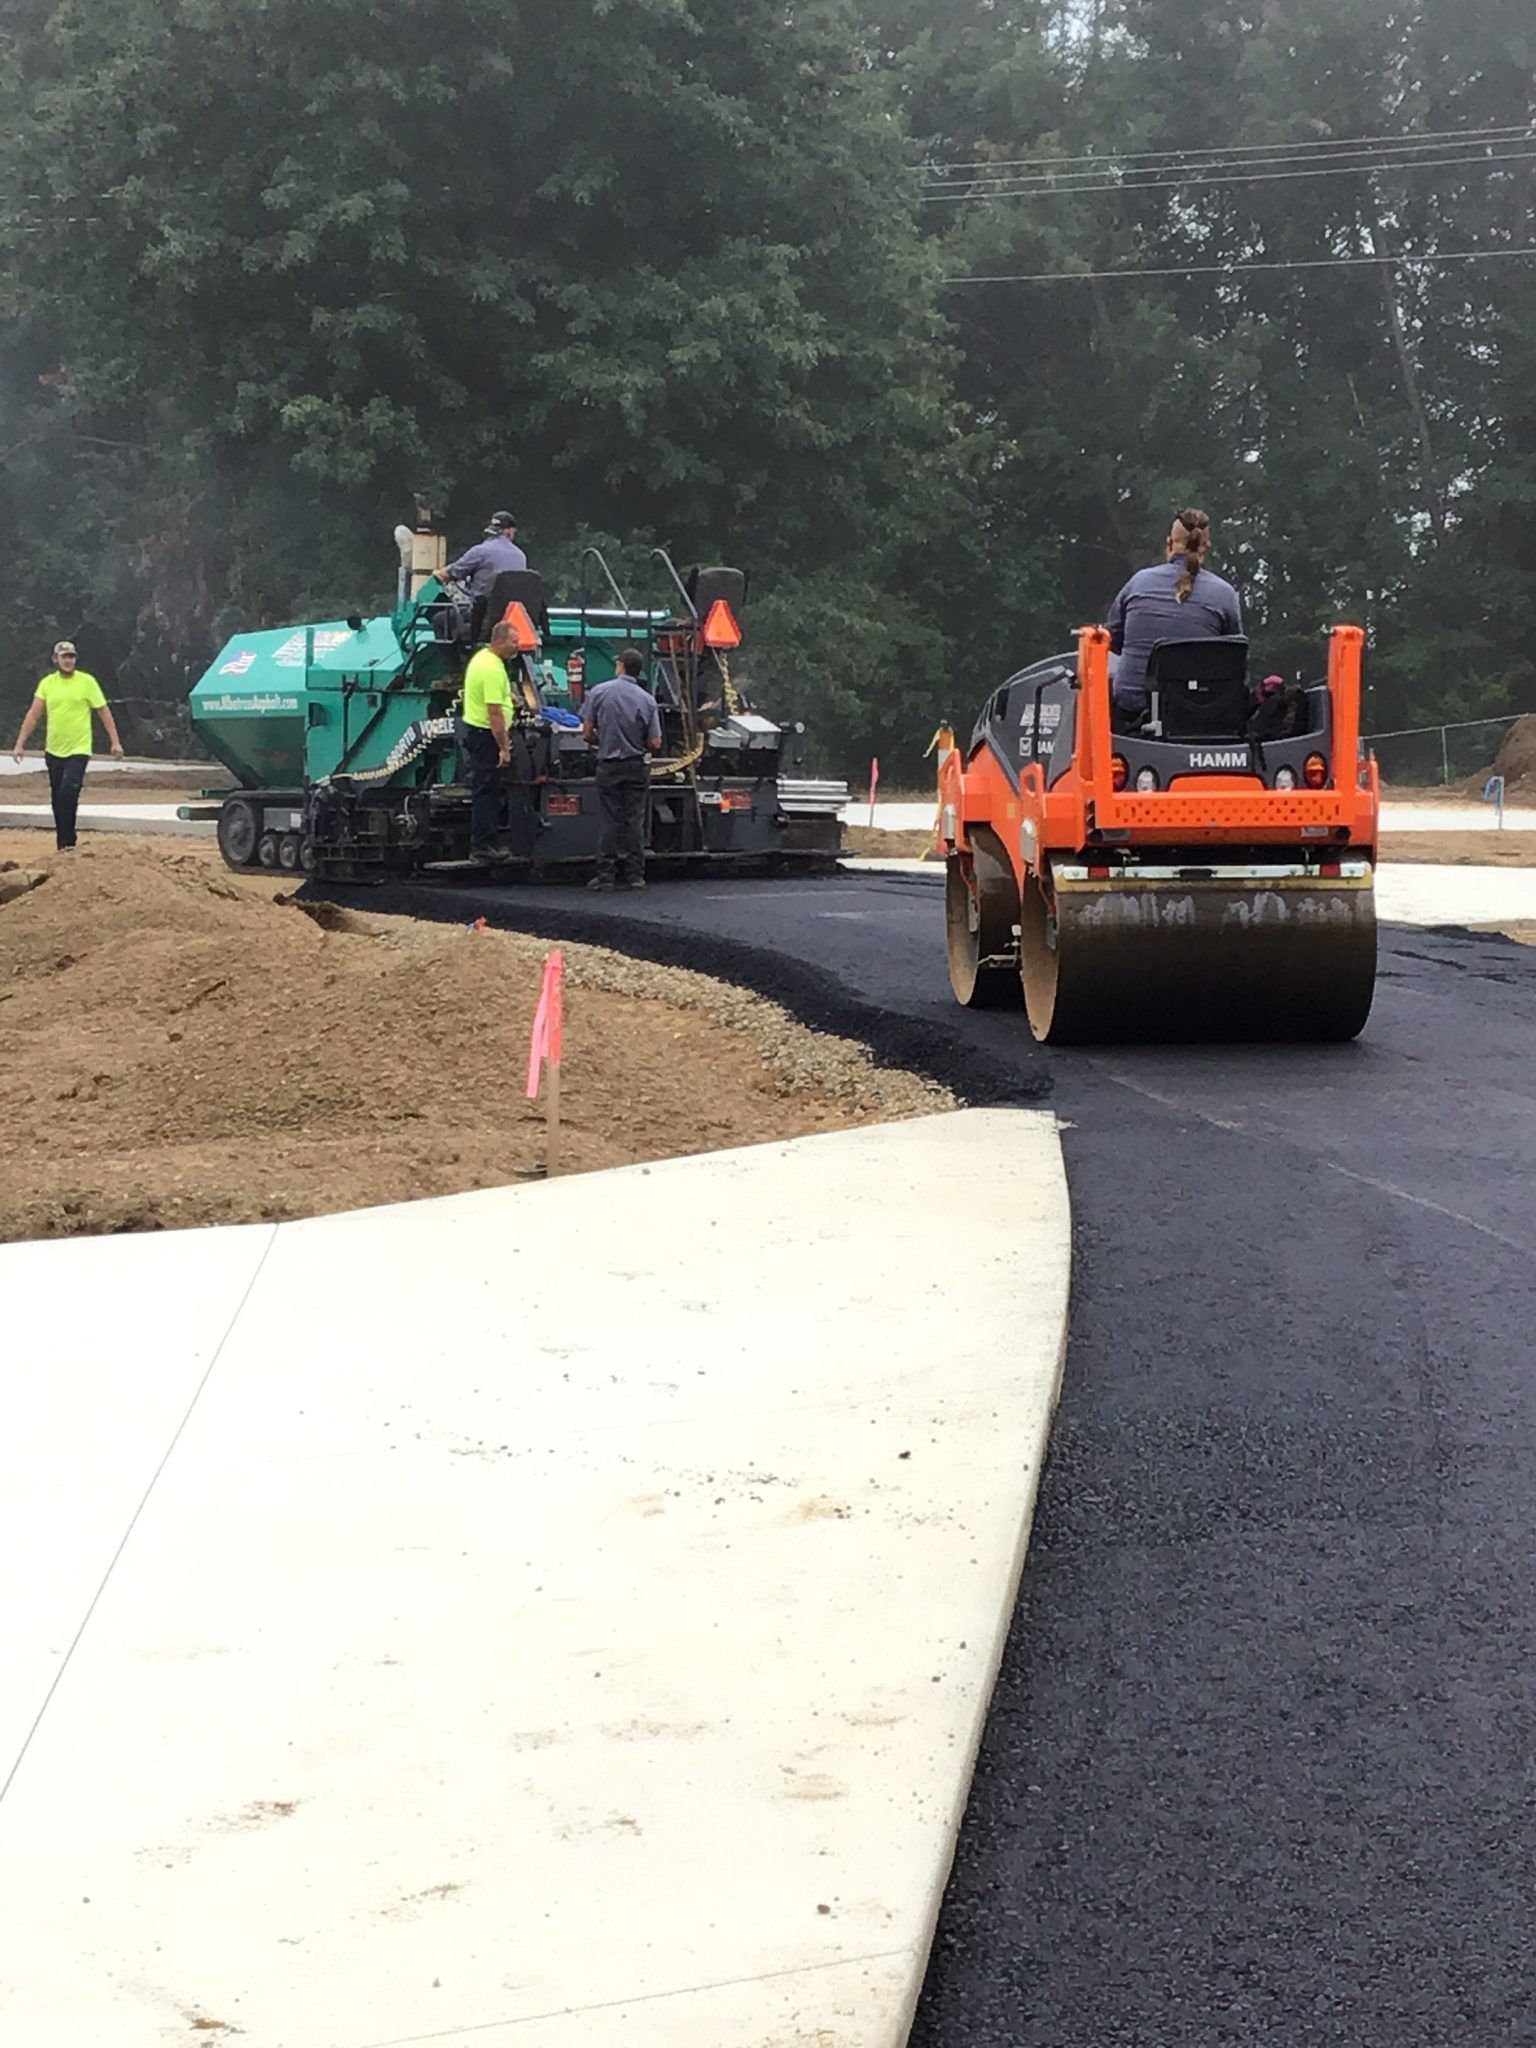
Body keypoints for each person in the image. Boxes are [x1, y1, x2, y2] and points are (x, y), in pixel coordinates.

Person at [1106, 508, 1243, 722]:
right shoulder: (1225, 594)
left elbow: (1112, 641)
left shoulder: (1138, 583)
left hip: (1132, 713)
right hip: (1199, 717)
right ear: (1206, 547)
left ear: (1169, 544)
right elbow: (1233, 659)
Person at [10, 641, 125, 850]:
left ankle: (69, 841)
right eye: (64, 657)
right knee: (57, 797)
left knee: (69, 790)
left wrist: (114, 741)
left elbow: (103, 711)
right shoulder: (47, 684)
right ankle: (62, 844)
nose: (68, 660)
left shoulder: (87, 682)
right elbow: (34, 714)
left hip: (79, 749)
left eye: (71, 657)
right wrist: (20, 744)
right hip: (54, 749)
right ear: (56, 659)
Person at [581, 648, 662, 890]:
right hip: (636, 766)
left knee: (610, 820)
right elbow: (656, 742)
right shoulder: (648, 700)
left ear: (621, 666)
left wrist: (603, 740)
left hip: (609, 765)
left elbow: (586, 733)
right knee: (634, 820)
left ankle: (606, 876)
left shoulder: (598, 692)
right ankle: (635, 876)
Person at [460, 620, 518, 858]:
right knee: (486, 790)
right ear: (500, 641)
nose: (517, 646)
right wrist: (504, 748)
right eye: (514, 641)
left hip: (479, 731)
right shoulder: (492, 669)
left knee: (488, 788)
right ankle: (482, 846)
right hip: (486, 735)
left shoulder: (483, 658)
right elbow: (494, 712)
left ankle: (490, 841)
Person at [443, 511, 528, 598]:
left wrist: (438, 573)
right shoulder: (521, 556)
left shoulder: (480, 551)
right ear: (510, 531)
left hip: (482, 609)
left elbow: (450, 573)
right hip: (513, 608)